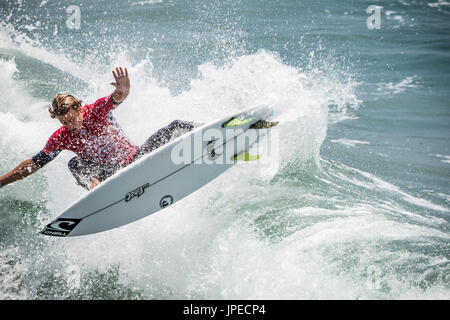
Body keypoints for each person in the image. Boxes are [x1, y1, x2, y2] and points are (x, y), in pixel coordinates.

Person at [0, 66, 198, 190]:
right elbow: (33, 165)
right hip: (111, 175)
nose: (70, 126)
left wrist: (123, 90)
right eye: (64, 122)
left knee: (176, 126)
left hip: (137, 158)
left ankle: (218, 132)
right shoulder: (61, 138)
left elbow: (117, 97)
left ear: (79, 108)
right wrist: (2, 181)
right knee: (74, 164)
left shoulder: (95, 111)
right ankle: (95, 188)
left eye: (71, 119)